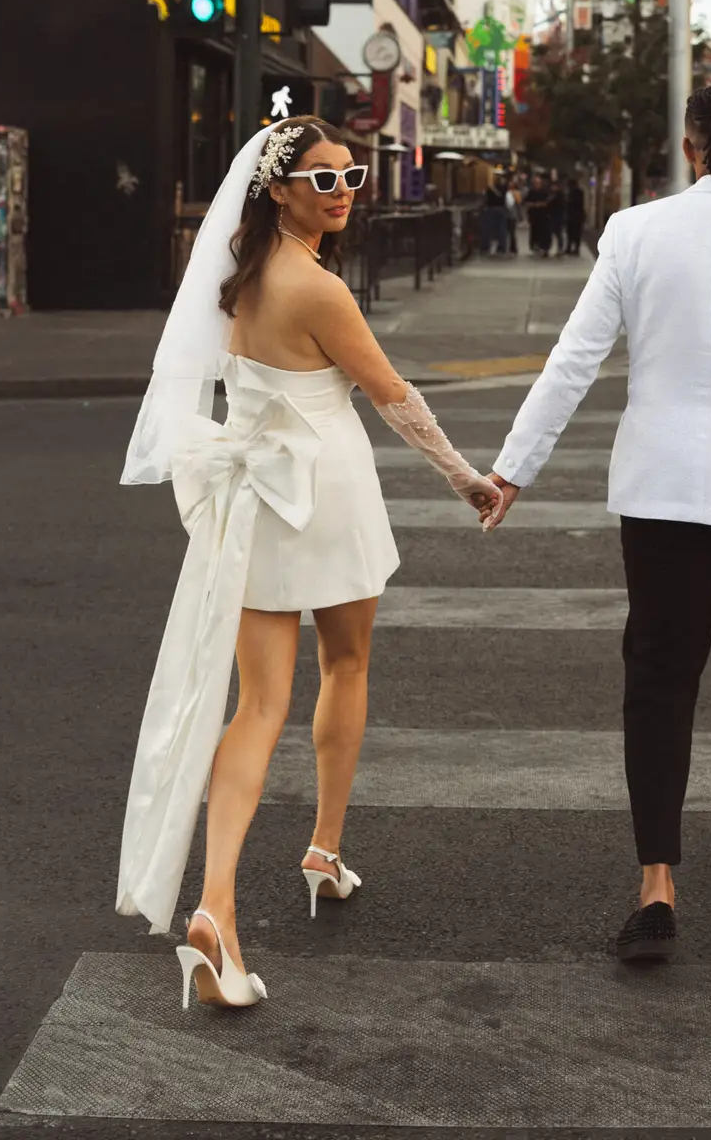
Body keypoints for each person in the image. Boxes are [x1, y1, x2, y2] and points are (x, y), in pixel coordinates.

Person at [116, 117, 501, 1010]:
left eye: (351, 175)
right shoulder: (319, 289)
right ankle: (320, 849)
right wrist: (467, 481)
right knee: (347, 662)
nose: (344, 192)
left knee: (256, 706)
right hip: (324, 494)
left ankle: (217, 902)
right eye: (324, 180)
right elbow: (395, 399)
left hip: (253, 500)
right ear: (279, 191)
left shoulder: (235, 277)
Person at [480, 84, 711, 963]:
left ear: (688, 147)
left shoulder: (634, 232)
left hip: (659, 489)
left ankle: (656, 883)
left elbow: (573, 360)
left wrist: (514, 468)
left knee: (658, 673)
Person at [565, 179, 586, 256]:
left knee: (576, 233)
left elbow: (576, 203)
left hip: (576, 216)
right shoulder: (570, 192)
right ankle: (569, 247)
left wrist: (568, 202)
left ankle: (576, 248)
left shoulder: (578, 192)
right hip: (572, 215)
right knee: (570, 232)